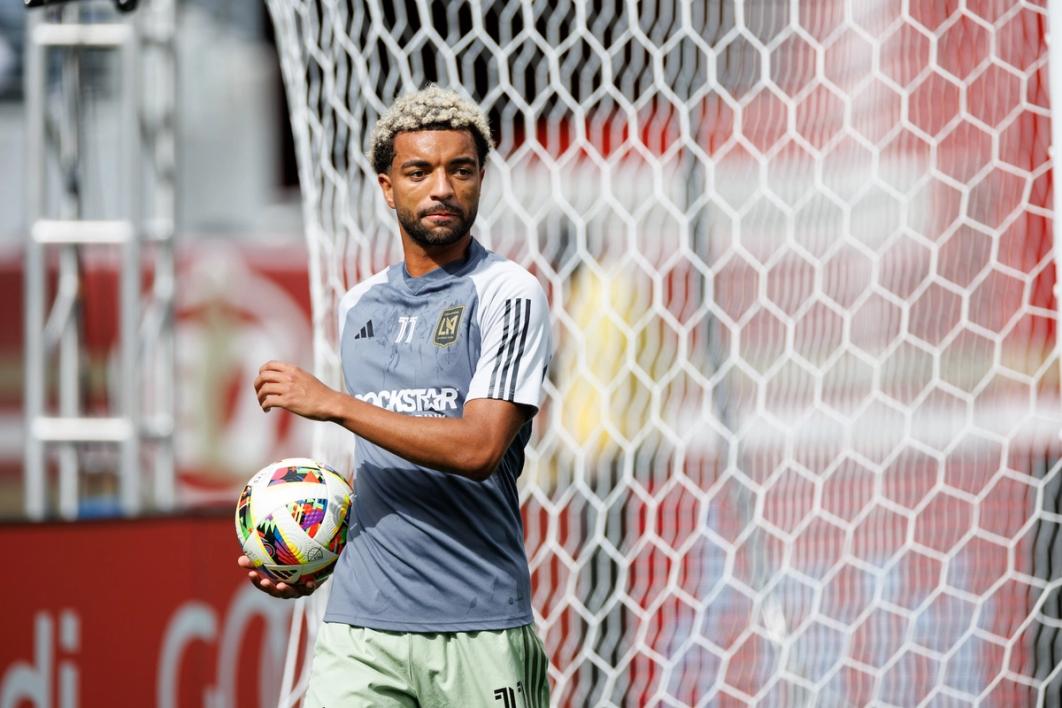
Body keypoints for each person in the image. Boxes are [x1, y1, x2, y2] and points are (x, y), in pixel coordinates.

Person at [239, 85, 552, 707]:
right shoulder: (359, 305)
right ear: (387, 188)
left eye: (459, 169)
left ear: (481, 179)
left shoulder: (508, 294)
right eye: (419, 171)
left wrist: (333, 403)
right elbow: (383, 465)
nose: (442, 188)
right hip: (361, 627)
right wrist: (308, 553)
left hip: (476, 622)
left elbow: (479, 448)